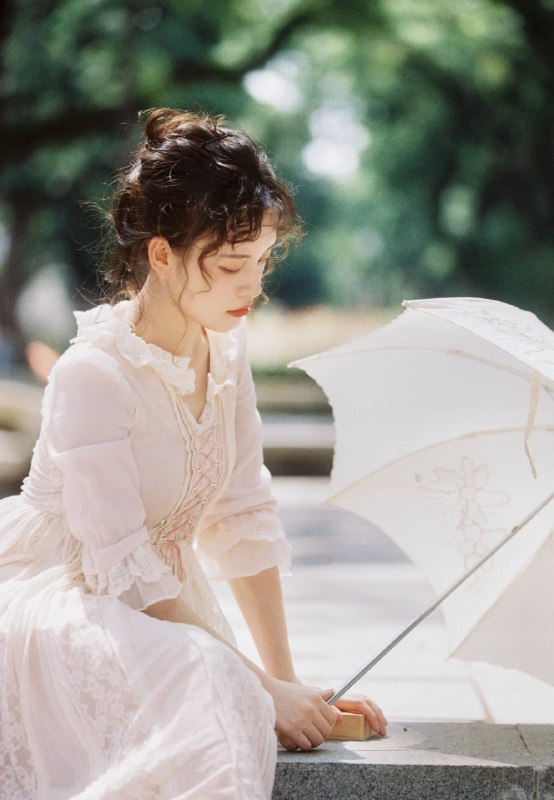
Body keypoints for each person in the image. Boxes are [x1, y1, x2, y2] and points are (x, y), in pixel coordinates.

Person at [0, 108, 386, 799]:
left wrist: (287, 686)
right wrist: (258, 687)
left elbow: (243, 513)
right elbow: (120, 567)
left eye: (262, 261)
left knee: (223, 682)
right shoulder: (93, 374)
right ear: (161, 255)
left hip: (162, 608)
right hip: (70, 603)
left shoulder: (226, 350)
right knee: (211, 681)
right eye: (232, 265)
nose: (253, 286)